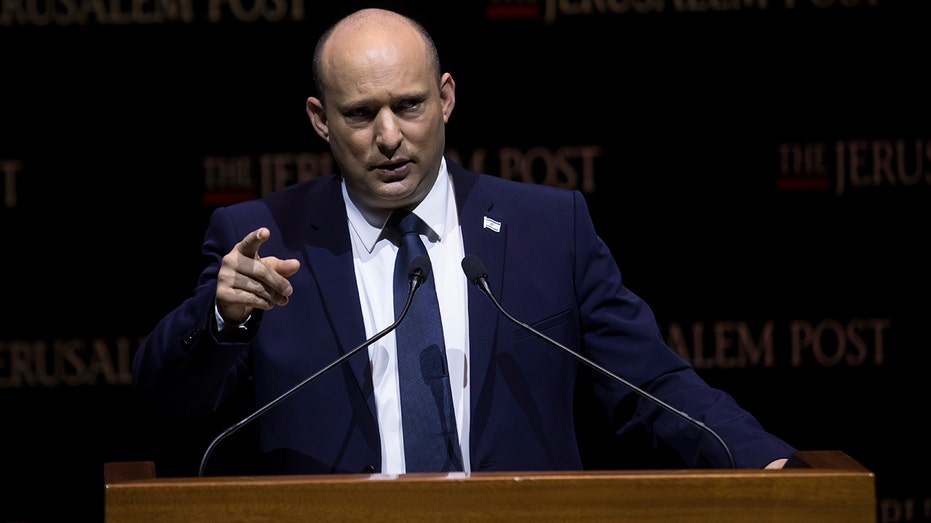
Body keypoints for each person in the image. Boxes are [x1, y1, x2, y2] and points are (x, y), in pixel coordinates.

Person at [132, 7, 794, 476]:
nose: (389, 136)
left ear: (445, 98)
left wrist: (766, 461)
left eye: (409, 105)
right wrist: (220, 318)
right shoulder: (260, 238)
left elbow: (649, 382)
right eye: (360, 114)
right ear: (320, 119)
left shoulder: (549, 228)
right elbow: (167, 401)